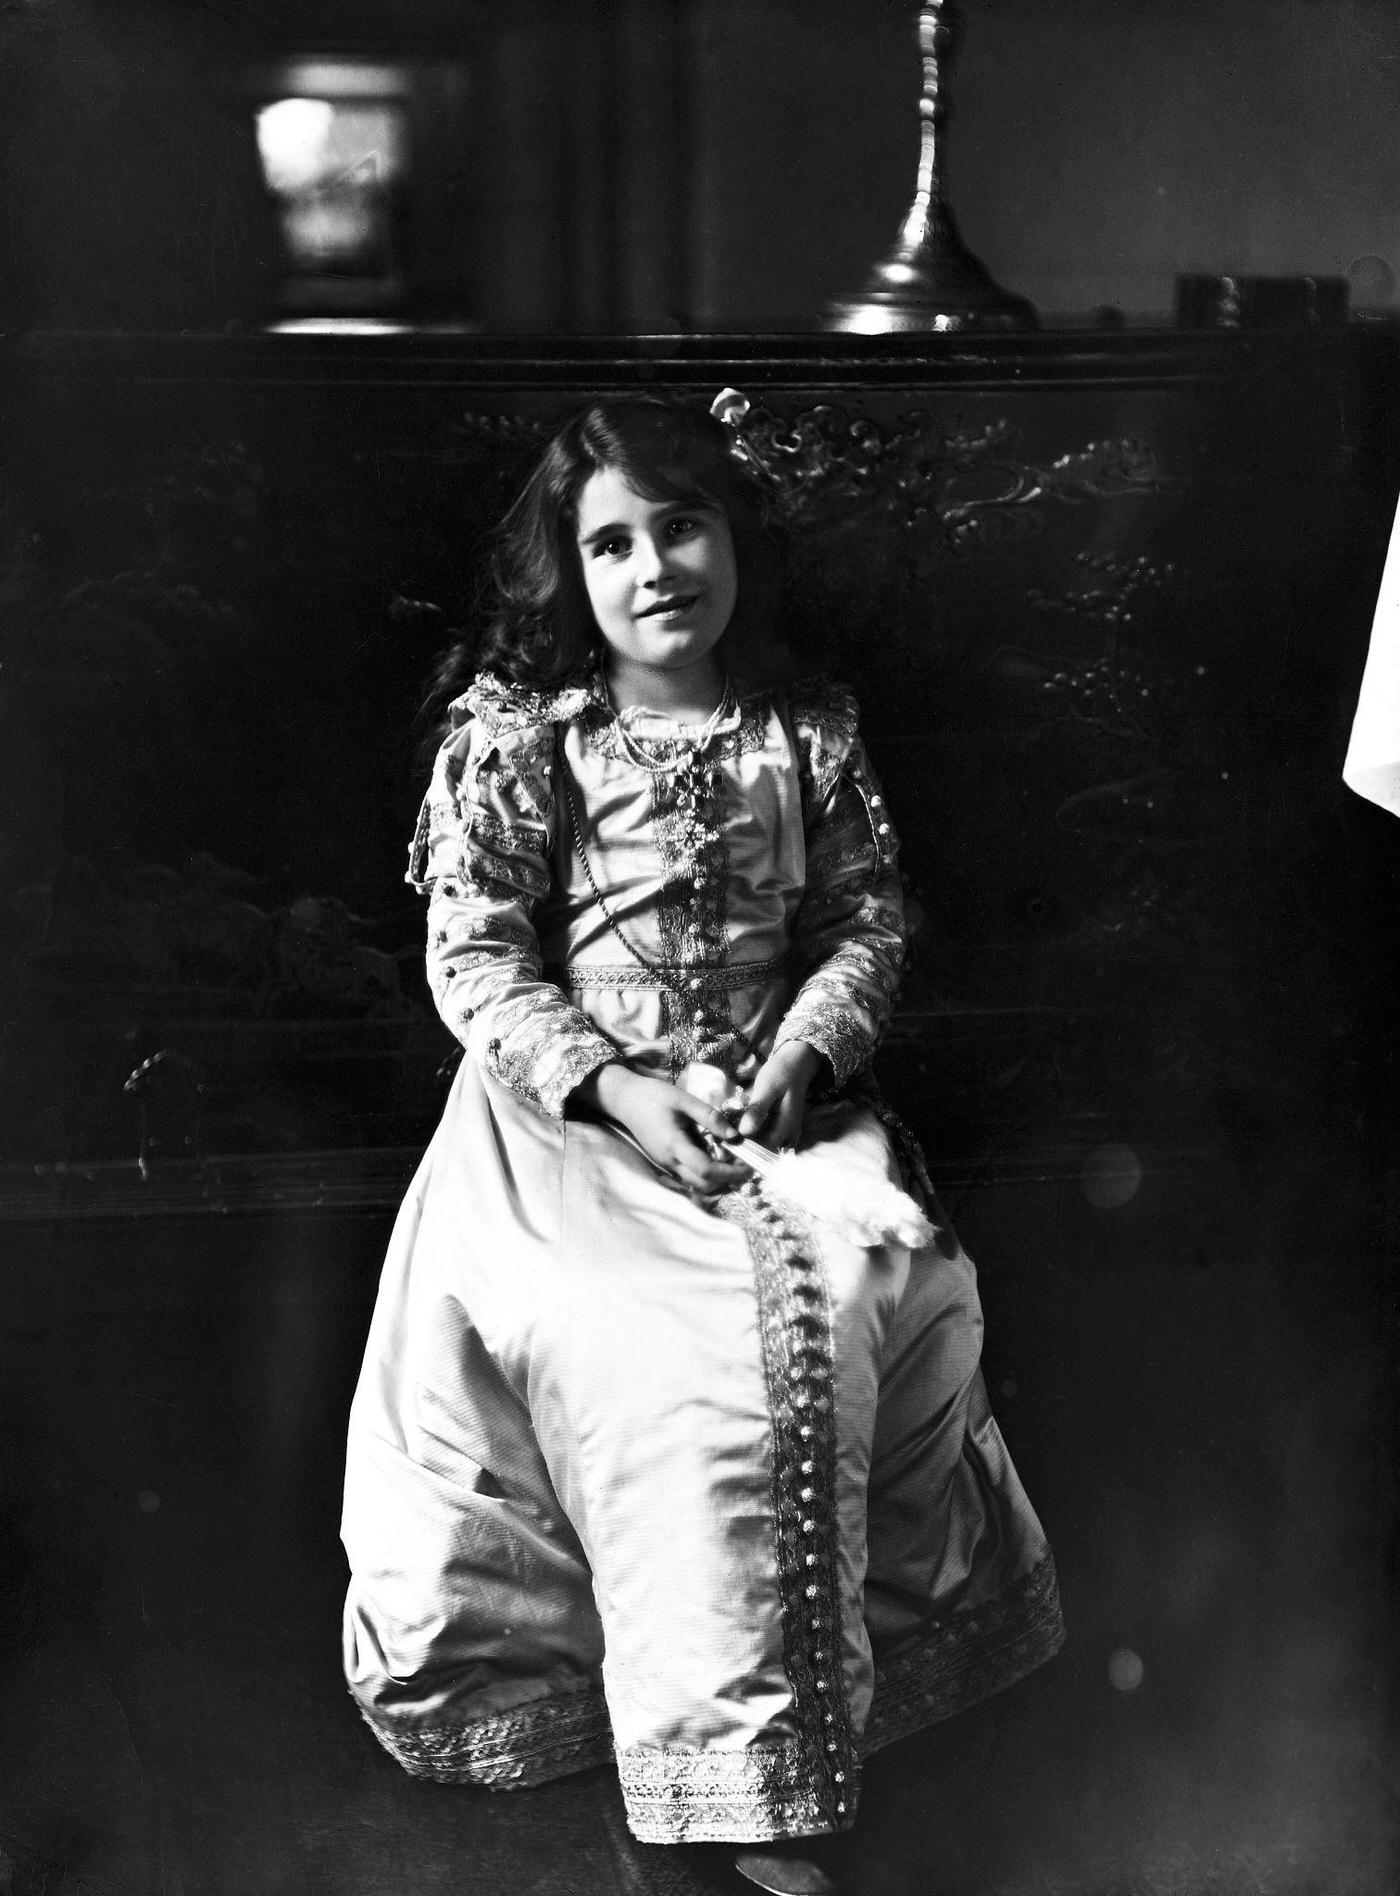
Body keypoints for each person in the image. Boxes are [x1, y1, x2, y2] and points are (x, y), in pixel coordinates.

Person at [341, 396, 1064, 1895]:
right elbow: (473, 956)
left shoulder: (805, 730)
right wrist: (609, 1084)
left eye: (682, 525)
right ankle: (715, 1768)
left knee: (872, 1287)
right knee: (658, 1361)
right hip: (571, 1129)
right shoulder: (523, 739)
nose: (654, 566)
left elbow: (863, 919)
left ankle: (806, 1730)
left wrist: (805, 1049)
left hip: (771, 1100)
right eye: (611, 542)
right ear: (569, 573)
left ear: (734, 540)